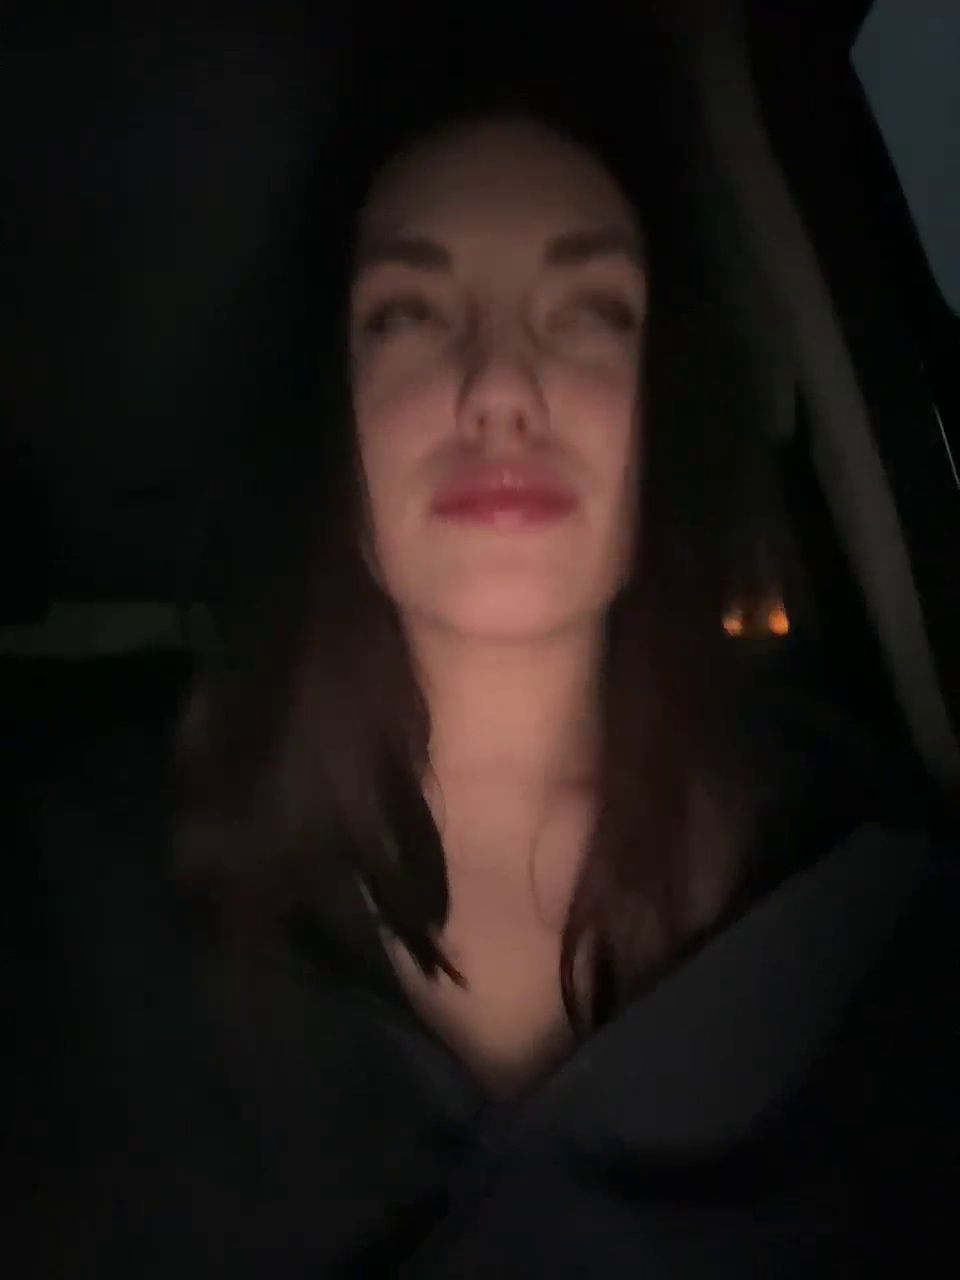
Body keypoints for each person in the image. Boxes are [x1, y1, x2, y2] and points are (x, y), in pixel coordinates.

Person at [35, 17, 957, 1279]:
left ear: (660, 415)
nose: (502, 387)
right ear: (338, 423)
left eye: (588, 313)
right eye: (411, 313)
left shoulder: (864, 922)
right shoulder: (81, 928)